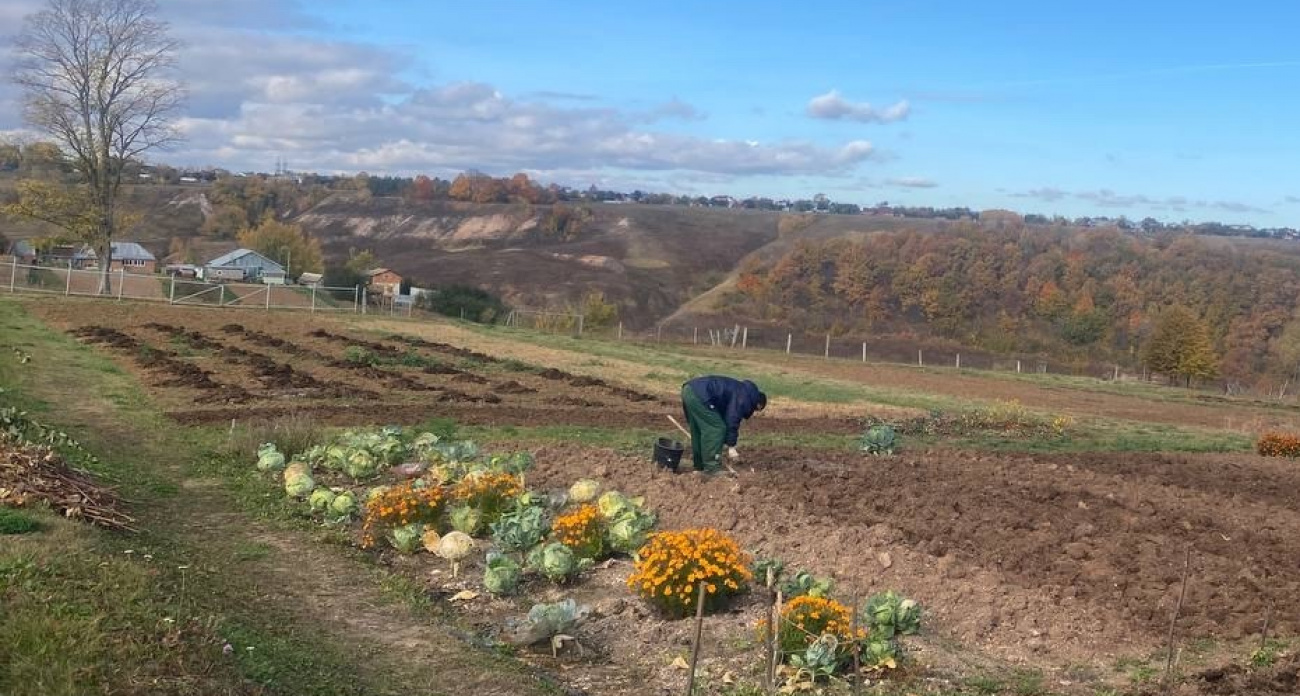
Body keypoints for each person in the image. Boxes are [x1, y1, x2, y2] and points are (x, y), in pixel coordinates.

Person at [680, 375, 767, 472]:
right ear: (758, 405)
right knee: (717, 429)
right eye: (757, 410)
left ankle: (700, 465)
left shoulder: (741, 389)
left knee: (699, 429)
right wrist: (731, 446)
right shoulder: (744, 398)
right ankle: (712, 468)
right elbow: (732, 419)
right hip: (701, 395)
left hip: (689, 389)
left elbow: (722, 416)